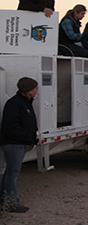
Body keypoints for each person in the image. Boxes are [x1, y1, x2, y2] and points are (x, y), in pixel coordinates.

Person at [0, 77, 39, 213]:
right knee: (13, 173)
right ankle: (12, 204)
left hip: (17, 142)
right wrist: (26, 136)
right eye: (35, 89)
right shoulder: (15, 104)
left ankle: (4, 200)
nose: (36, 91)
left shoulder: (24, 102)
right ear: (28, 90)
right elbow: (10, 127)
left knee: (9, 172)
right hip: (14, 143)